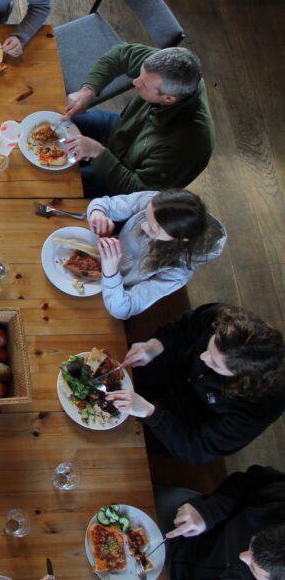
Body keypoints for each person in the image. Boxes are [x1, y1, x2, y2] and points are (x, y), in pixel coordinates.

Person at [107, 303, 285, 464]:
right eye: (209, 346)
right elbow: (183, 328)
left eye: (215, 363)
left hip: (175, 421)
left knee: (115, 442)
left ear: (241, 377)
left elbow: (196, 450)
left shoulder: (257, 409)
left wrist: (151, 413)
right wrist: (154, 346)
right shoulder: (225, 319)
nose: (203, 357)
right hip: (165, 365)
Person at [63, 44, 213, 198]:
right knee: (61, 120)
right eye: (140, 74)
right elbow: (121, 54)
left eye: (143, 84)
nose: (135, 81)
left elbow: (135, 190)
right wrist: (88, 90)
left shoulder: (185, 146)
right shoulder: (163, 68)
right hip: (120, 131)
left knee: (60, 183)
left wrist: (97, 152)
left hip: (126, 177)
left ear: (168, 99)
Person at [87, 189, 226, 320]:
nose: (143, 226)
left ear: (181, 238)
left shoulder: (176, 272)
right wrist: (98, 212)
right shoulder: (157, 204)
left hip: (114, 293)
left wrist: (111, 272)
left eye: (153, 229)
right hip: (101, 260)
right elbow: (106, 204)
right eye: (145, 217)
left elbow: (123, 309)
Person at [156, 467, 285, 579]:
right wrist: (208, 511)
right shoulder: (280, 499)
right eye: (254, 541)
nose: (242, 556)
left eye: (253, 566)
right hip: (187, 520)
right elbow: (248, 481)